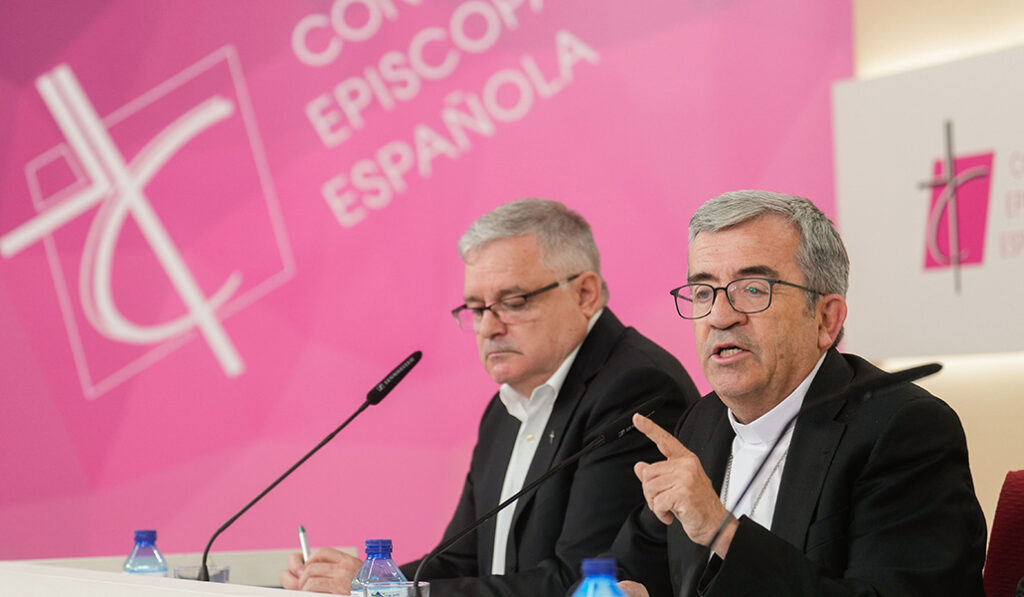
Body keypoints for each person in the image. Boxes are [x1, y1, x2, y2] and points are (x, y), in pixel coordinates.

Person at [281, 198, 700, 595]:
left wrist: (390, 593)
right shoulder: (507, 406)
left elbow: (580, 583)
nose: (488, 328)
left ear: (584, 294)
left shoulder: (635, 389)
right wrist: (360, 584)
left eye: (512, 302)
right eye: (477, 309)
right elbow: (458, 563)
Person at [607, 190, 986, 597]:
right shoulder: (701, 423)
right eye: (703, 292)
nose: (719, 316)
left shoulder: (903, 430)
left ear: (826, 318)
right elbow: (625, 572)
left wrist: (723, 531)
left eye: (752, 289)